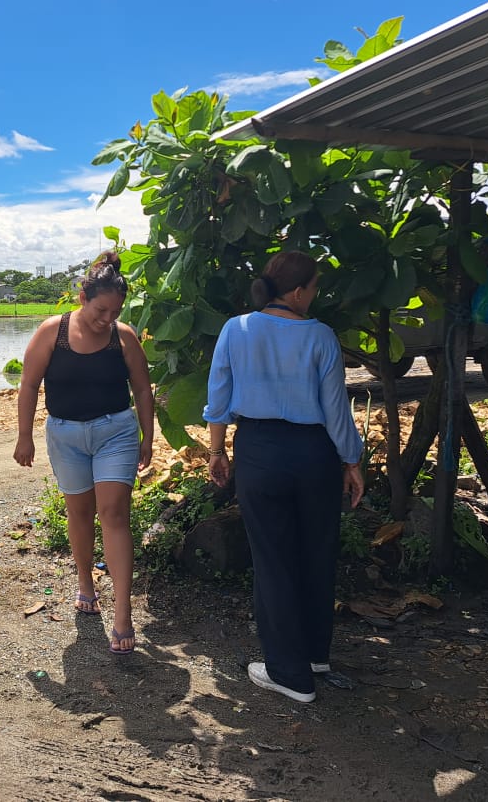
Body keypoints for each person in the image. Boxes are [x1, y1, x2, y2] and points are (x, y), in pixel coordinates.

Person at [204, 250, 364, 704]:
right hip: (315, 453)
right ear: (296, 292)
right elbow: (336, 409)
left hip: (259, 451)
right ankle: (314, 656)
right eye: (313, 288)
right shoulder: (321, 336)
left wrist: (216, 451)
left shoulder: (236, 329)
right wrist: (352, 461)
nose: (314, 296)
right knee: (317, 552)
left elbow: (219, 398)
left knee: (273, 559)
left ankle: (289, 672)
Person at [14, 252, 154, 656]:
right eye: (100, 311)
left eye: (115, 312)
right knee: (78, 512)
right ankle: (85, 583)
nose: (107, 319)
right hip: (66, 435)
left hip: (115, 432)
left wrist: (147, 437)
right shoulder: (51, 332)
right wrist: (24, 437)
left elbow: (142, 389)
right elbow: (28, 385)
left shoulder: (123, 337)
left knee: (114, 513)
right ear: (82, 298)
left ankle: (123, 613)